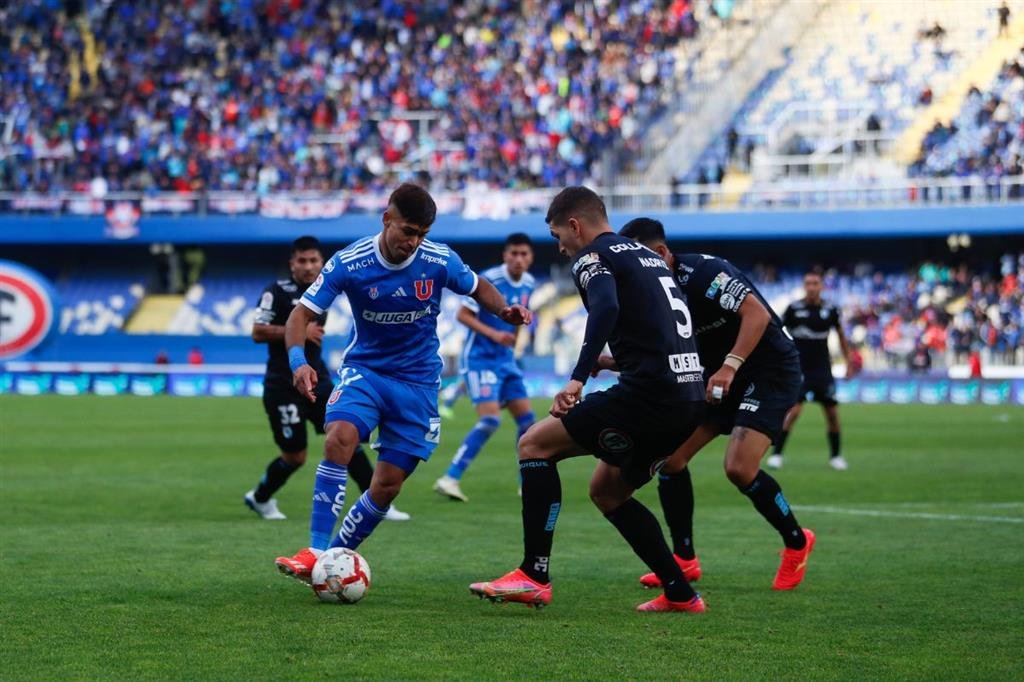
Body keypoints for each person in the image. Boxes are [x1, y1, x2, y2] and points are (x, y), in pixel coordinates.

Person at [274, 184, 531, 582]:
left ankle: (335, 558)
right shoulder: (350, 262)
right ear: (386, 219)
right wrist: (297, 362)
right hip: (367, 372)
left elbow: (477, 285)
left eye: (422, 234)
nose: (413, 242)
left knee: (388, 485)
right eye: (408, 231)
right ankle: (315, 550)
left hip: (419, 383)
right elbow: (299, 316)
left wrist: (504, 310)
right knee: (339, 437)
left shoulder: (438, 258)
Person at [469, 187, 708, 613]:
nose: (560, 248)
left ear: (575, 225)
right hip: (687, 398)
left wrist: (577, 379)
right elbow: (663, 333)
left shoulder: (594, 257)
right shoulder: (649, 257)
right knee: (607, 491)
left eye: (559, 235)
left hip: (649, 397)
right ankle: (680, 593)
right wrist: (612, 362)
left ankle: (533, 575)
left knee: (533, 444)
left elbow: (605, 309)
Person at [615, 218, 815, 593]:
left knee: (739, 468)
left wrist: (730, 365)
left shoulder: (706, 271)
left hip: (766, 369)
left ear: (660, 253)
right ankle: (685, 560)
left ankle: (797, 542)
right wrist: (608, 362)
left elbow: (757, 314)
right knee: (671, 461)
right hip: (716, 373)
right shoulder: (652, 291)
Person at [244, 236, 409, 522]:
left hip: (318, 380)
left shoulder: (324, 290)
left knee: (347, 436)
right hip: (283, 384)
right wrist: (296, 332)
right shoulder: (275, 292)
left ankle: (377, 503)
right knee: (296, 456)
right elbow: (258, 331)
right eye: (302, 261)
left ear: (322, 263)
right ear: (292, 263)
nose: (309, 267)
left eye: (314, 261)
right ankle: (260, 497)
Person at [434, 233, 537, 502]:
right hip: (479, 359)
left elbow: (517, 319)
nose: (518, 259)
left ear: (530, 258)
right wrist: (494, 336)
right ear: (505, 255)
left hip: (505, 360)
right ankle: (450, 478)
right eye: (513, 253)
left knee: (528, 422)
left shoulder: (529, 283)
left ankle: (526, 483)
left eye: (524, 254)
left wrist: (510, 352)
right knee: (490, 420)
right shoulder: (490, 278)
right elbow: (462, 315)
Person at [770, 271, 856, 471]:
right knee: (793, 413)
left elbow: (841, 336)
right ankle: (777, 455)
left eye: (815, 283)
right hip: (798, 369)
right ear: (804, 286)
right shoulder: (794, 309)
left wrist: (848, 362)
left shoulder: (831, 310)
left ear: (821, 286)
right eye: (808, 283)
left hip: (823, 370)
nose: (811, 287)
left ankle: (835, 456)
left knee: (832, 414)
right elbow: (778, 334)